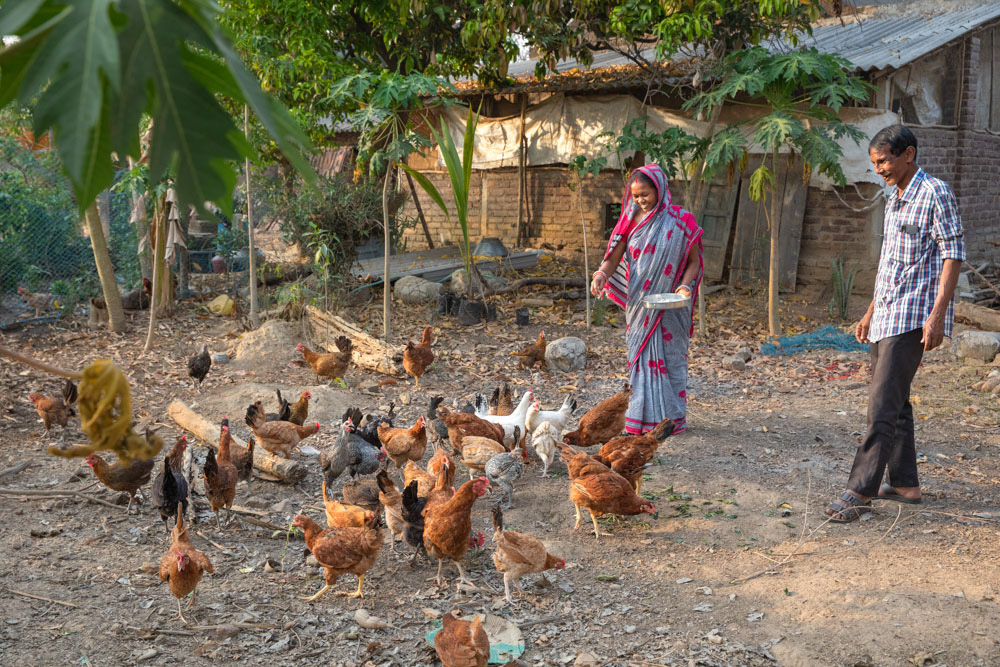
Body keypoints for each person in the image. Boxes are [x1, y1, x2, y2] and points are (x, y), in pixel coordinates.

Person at [826, 125, 965, 523]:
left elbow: (953, 254)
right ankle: (904, 484)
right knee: (896, 401)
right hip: (887, 313)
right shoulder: (894, 198)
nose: (879, 169)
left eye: (884, 160)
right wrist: (870, 311)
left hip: (914, 317)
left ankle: (859, 490)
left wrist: (938, 314)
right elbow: (890, 265)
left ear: (909, 154)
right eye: (874, 163)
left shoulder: (935, 192)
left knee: (881, 405)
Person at [590, 164, 703, 435]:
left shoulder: (681, 221)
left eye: (645, 194)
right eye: (636, 195)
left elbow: (694, 262)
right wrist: (601, 275)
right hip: (640, 305)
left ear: (660, 189)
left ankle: (670, 421)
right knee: (640, 359)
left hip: (671, 306)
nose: (640, 200)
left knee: (672, 359)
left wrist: (685, 287)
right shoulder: (630, 219)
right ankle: (640, 421)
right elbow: (614, 257)